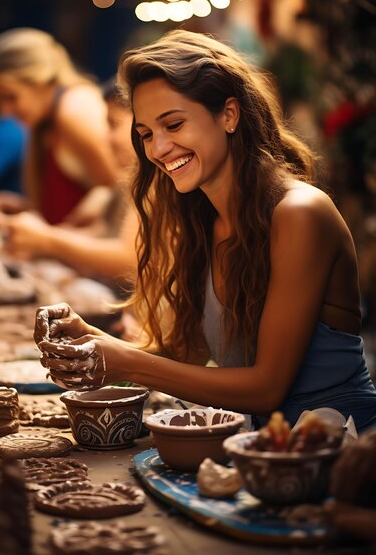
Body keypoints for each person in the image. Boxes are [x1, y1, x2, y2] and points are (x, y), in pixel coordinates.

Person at [33, 29, 376, 433]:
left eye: (173, 125)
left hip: (338, 448)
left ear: (229, 114)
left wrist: (124, 362)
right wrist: (89, 340)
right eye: (145, 134)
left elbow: (266, 388)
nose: (158, 149)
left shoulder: (299, 213)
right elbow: (187, 357)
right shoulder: (201, 218)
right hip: (252, 445)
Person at [0, 79, 138, 285]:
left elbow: (129, 259)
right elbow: (103, 234)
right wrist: (39, 242)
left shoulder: (158, 184)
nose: (106, 138)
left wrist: (47, 240)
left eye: (113, 124)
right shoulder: (134, 181)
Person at [0, 28, 117, 225]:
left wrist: (52, 239)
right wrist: (25, 207)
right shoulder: (44, 120)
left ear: (41, 81)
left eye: (11, 97)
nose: (6, 111)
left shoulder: (74, 111)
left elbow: (121, 194)